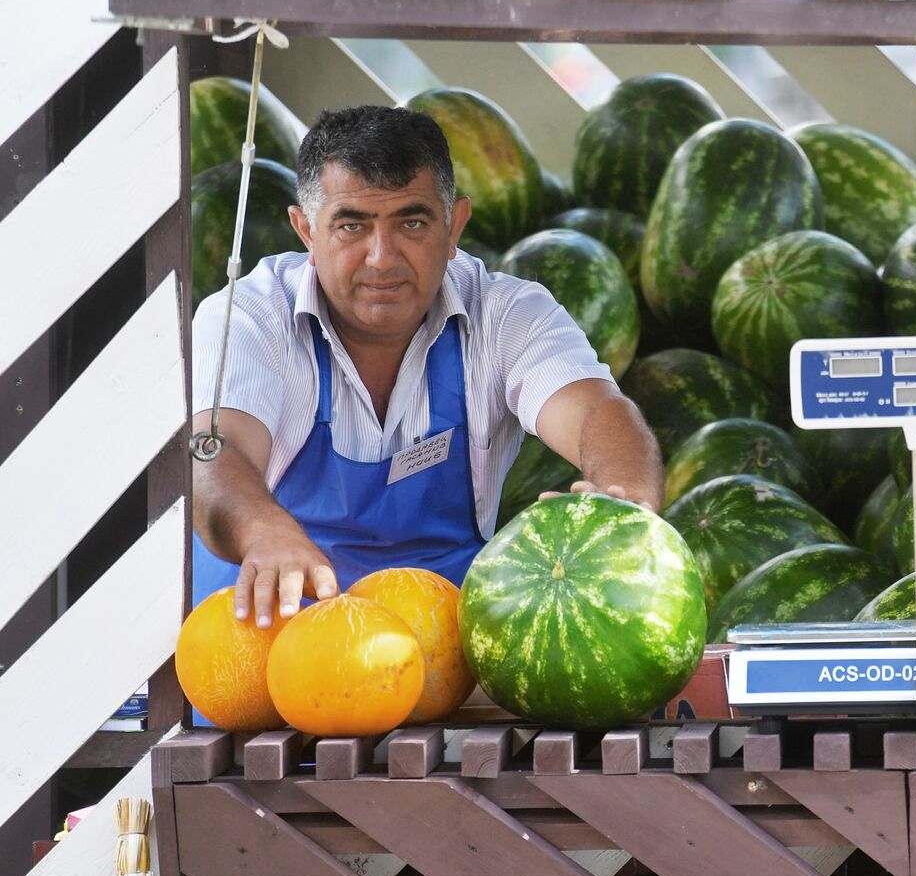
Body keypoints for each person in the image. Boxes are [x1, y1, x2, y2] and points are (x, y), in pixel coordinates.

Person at [190, 105, 663, 629]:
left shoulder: (506, 314)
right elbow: (214, 450)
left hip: (442, 653)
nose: (382, 257)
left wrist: (625, 497)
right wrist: (261, 530)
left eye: (411, 222)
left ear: (454, 224)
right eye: (351, 226)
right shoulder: (250, 315)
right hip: (272, 648)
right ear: (305, 231)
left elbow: (597, 410)